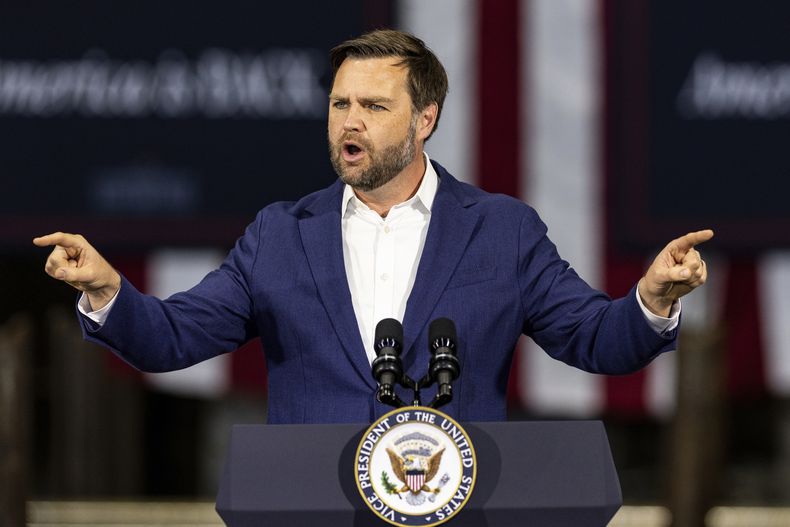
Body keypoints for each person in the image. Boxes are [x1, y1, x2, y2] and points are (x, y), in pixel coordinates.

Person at [34, 29, 711, 424]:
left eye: (373, 105)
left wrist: (650, 299)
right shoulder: (279, 234)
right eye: (339, 103)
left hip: (459, 509)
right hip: (311, 510)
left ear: (425, 119)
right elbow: (172, 336)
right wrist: (106, 290)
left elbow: (595, 339)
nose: (349, 120)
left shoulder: (503, 232)